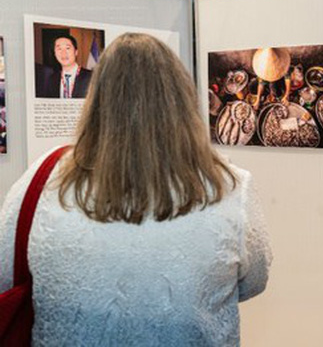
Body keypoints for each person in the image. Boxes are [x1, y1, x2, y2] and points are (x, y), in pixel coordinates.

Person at [0, 33, 272, 346]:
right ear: (183, 98)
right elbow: (253, 281)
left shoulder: (45, 177)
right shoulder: (229, 187)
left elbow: (7, 273)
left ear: (97, 98)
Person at [42, 34, 93, 98]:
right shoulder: (51, 80)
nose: (63, 53)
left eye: (67, 48)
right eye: (59, 49)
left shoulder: (91, 77)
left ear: (76, 52)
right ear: (54, 54)